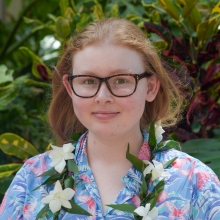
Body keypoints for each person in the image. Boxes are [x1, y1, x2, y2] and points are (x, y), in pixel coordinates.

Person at [0, 18, 220, 220]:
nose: (102, 97)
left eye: (121, 80)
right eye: (88, 81)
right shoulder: (32, 180)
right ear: (70, 88)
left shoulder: (194, 184)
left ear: (150, 87)